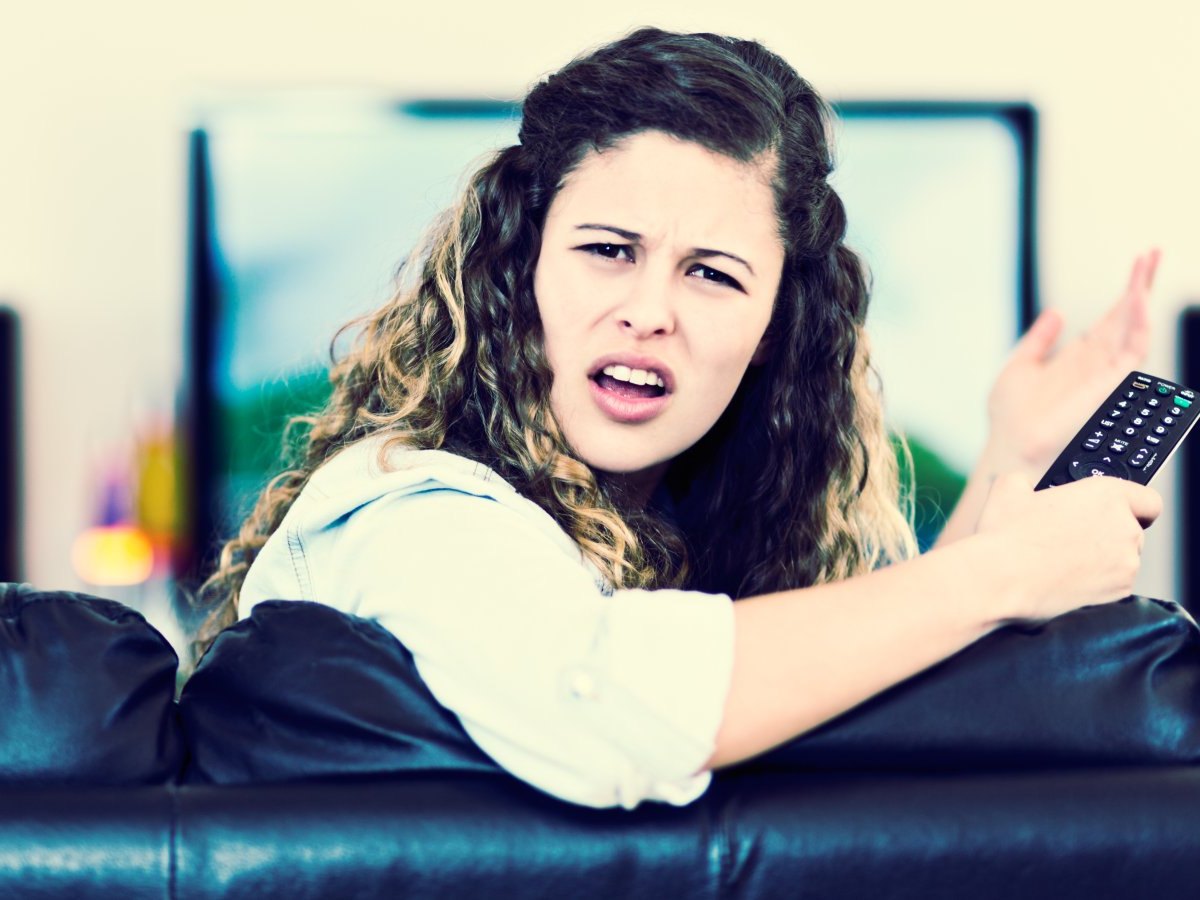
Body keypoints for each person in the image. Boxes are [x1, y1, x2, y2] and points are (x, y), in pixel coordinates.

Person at [194, 27, 1163, 809]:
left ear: (774, 332)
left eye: (711, 273)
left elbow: (860, 714)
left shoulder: (688, 538)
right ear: (520, 269)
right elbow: (607, 705)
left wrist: (1012, 454)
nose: (651, 309)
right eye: (610, 250)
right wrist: (1002, 569)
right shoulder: (405, 508)